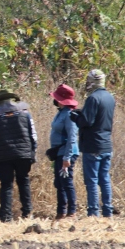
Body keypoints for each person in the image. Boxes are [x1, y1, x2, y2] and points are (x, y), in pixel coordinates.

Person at [0, 89, 37, 222]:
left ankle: (6, 217)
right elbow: (33, 135)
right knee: (24, 181)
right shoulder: (25, 113)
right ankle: (28, 214)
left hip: (2, 156)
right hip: (23, 154)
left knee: (6, 184)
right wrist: (33, 152)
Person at [69, 69, 116, 218]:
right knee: (105, 179)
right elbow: (99, 118)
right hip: (106, 144)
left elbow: (86, 121)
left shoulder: (93, 98)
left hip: (92, 145)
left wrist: (75, 116)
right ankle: (108, 211)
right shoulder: (110, 98)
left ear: (92, 82)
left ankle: (93, 212)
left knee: (92, 180)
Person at [48, 84, 79, 220]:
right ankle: (61, 212)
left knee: (66, 182)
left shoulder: (69, 114)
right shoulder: (60, 113)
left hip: (66, 153)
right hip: (59, 152)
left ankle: (71, 211)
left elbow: (72, 137)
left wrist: (67, 157)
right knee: (59, 183)